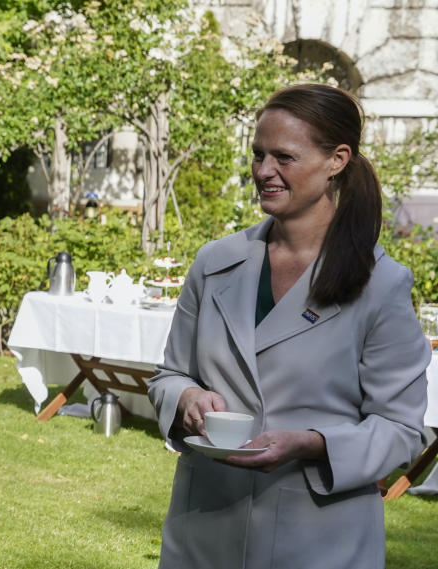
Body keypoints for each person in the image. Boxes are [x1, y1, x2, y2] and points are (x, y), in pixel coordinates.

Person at [148, 83, 432, 569]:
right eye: (258, 154)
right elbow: (169, 376)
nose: (263, 171)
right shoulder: (214, 263)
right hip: (204, 531)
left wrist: (314, 443)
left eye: (284, 157)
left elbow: (402, 429)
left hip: (320, 540)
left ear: (337, 160)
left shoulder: (380, 285)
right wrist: (187, 400)